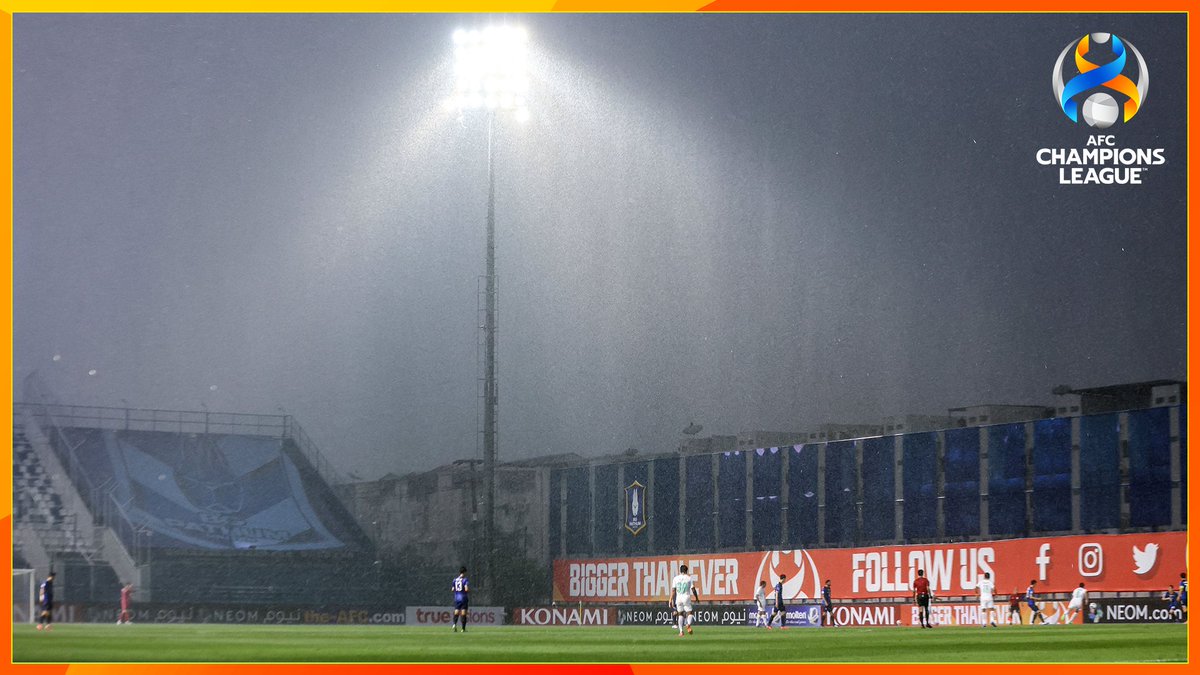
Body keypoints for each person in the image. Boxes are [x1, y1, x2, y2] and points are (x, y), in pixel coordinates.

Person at [669, 564, 700, 636]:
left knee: (680, 614)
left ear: (680, 571)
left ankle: (681, 632)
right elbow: (693, 589)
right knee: (690, 613)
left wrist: (670, 599)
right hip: (686, 597)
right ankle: (688, 624)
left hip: (678, 598)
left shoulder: (675, 578)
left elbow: (673, 590)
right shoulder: (689, 578)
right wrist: (697, 598)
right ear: (686, 571)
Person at [451, 567, 470, 632]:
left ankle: (454, 624)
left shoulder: (455, 580)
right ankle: (463, 629)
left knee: (456, 611)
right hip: (463, 598)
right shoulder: (465, 580)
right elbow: (466, 589)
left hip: (457, 598)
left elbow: (452, 589)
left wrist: (457, 592)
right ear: (464, 572)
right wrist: (467, 591)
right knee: (463, 613)